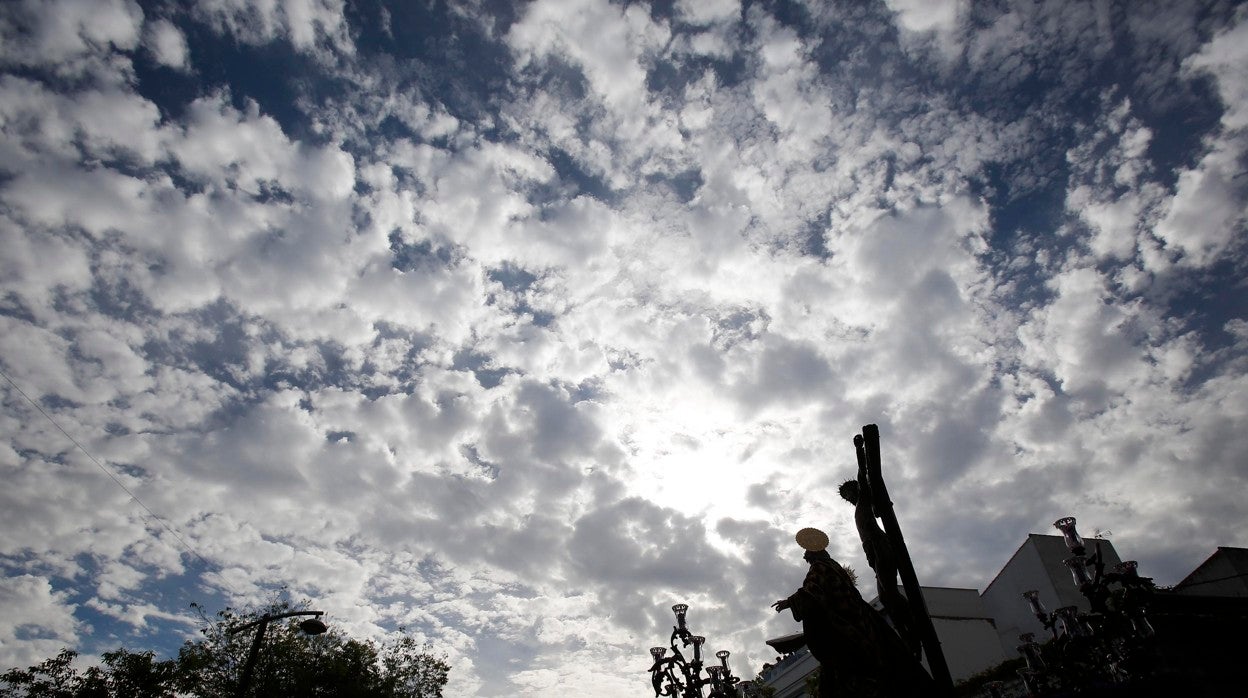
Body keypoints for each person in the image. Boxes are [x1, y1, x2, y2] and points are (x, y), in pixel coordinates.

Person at [772, 528, 933, 697]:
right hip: (860, 621)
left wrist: (788, 603)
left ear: (812, 554)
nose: (805, 557)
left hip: (844, 626)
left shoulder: (819, 568)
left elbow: (811, 593)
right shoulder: (835, 566)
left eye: (806, 553)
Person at [839, 471, 921, 657]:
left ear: (857, 489)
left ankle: (915, 625)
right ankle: (906, 635)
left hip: (878, 544)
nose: (850, 497)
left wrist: (860, 448)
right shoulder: (859, 507)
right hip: (871, 550)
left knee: (889, 589)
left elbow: (863, 473)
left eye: (850, 492)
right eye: (846, 496)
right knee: (884, 598)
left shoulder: (865, 498)